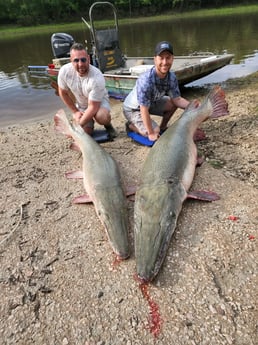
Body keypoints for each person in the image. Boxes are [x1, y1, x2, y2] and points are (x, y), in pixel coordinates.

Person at [123, 41, 190, 142]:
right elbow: (143, 109)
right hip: (134, 109)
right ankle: (131, 126)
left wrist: (194, 107)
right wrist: (151, 133)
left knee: (172, 103)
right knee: (154, 131)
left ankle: (163, 127)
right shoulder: (145, 80)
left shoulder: (171, 77)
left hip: (151, 102)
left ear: (173, 58)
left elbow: (177, 99)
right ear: (155, 59)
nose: (165, 62)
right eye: (161, 58)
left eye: (168, 58)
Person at [58, 42, 117, 138]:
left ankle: (108, 125)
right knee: (85, 134)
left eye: (83, 60)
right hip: (81, 105)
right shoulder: (64, 72)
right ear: (71, 61)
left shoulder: (97, 77)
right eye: (76, 60)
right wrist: (75, 111)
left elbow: (93, 107)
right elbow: (62, 92)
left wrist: (76, 128)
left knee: (102, 117)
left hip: (98, 103)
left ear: (88, 59)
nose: (80, 64)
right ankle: (89, 124)